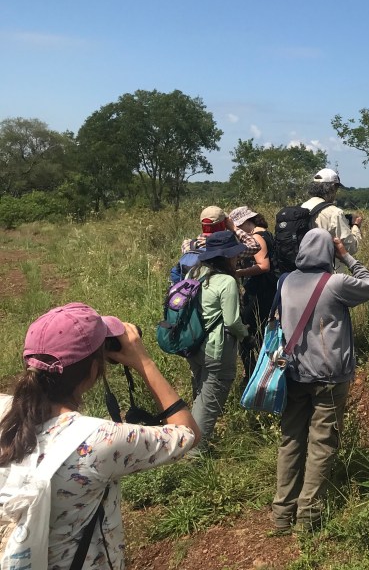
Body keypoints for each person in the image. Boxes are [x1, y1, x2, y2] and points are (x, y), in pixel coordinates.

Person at [0, 303, 199, 570]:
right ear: (94, 371)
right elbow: (187, 433)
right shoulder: (99, 440)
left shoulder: (5, 414)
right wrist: (144, 361)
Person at [273, 228, 369, 533]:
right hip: (330, 376)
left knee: (291, 440)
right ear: (328, 253)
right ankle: (307, 518)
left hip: (292, 372)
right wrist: (346, 255)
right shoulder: (336, 283)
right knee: (322, 444)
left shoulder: (286, 281)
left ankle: (281, 515)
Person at [188, 230, 250, 453]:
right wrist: (246, 334)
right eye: (234, 255)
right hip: (216, 348)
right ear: (226, 256)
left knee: (200, 395)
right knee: (209, 401)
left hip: (193, 344)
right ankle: (194, 454)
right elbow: (232, 321)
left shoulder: (195, 273)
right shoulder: (226, 281)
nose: (237, 259)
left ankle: (188, 443)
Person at [229, 205, 276, 381]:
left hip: (259, 291)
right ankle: (264, 373)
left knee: (246, 331)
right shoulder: (267, 233)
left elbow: (264, 266)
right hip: (268, 291)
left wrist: (238, 273)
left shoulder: (257, 237)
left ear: (248, 222)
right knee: (263, 331)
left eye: (239, 227)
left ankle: (252, 375)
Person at [302, 168, 363, 256]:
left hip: (302, 265)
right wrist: (355, 226)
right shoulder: (335, 213)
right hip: (327, 267)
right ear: (333, 187)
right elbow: (351, 247)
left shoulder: (302, 206)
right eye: (337, 188)